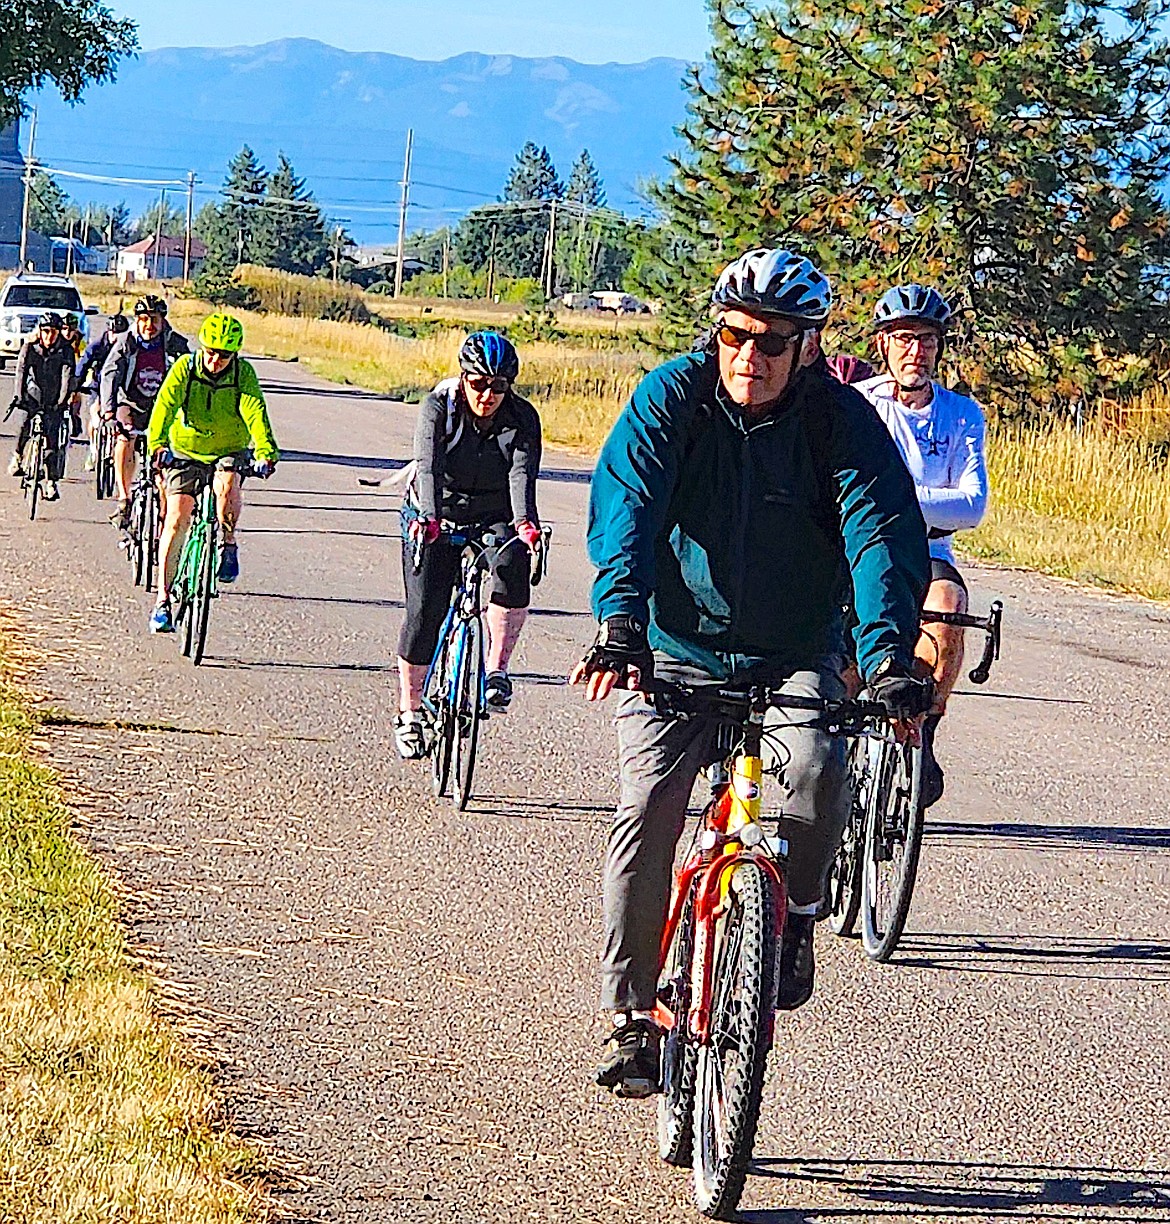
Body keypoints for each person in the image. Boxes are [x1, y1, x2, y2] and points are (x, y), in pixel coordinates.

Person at [571, 247, 933, 1098]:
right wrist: (619, 622)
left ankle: (796, 915)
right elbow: (628, 505)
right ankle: (630, 1017)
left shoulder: (838, 422)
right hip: (671, 647)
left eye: (774, 341)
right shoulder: (675, 398)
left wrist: (884, 656)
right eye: (736, 335)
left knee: (813, 772)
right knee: (650, 806)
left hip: (793, 650)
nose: (751, 357)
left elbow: (879, 534)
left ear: (809, 344)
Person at [856, 285, 989, 807]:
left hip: (930, 553)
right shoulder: (859, 404)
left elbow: (972, 506)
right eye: (905, 338)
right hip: (858, 546)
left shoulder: (961, 414)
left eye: (928, 340)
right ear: (884, 344)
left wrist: (893, 497)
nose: (917, 351)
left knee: (949, 609)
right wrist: (931, 498)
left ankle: (926, 730)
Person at [394, 330, 543, 760]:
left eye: (499, 387)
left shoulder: (521, 417)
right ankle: (410, 711)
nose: (488, 395)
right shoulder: (438, 408)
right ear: (463, 379)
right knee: (425, 611)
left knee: (513, 559)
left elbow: (521, 475)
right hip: (434, 509)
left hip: (492, 511)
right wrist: (429, 518)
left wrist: (526, 525)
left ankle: (496, 671)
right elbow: (429, 466)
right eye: (479, 384)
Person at [146, 313, 279, 634]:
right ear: (201, 347)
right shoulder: (185, 369)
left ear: (235, 355)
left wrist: (265, 450)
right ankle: (162, 601)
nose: (216, 360)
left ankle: (228, 543)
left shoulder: (242, 374)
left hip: (228, 447)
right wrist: (157, 444)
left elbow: (254, 410)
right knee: (177, 518)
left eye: (224, 354)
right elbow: (164, 406)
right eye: (210, 351)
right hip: (184, 449)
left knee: (228, 483)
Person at [100, 295, 189, 531]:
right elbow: (109, 374)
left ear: (162, 321)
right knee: (124, 438)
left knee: (164, 464)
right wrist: (108, 411)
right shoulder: (126, 342)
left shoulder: (175, 344)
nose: (148, 325)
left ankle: (162, 518)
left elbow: (191, 377)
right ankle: (124, 498)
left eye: (154, 320)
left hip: (164, 407)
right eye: (143, 319)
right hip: (130, 402)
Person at [7, 312, 75, 499]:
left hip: (53, 397)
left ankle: (51, 482)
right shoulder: (30, 348)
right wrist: (19, 396)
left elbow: (66, 377)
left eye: (53, 332)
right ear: (40, 331)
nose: (49, 336)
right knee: (24, 423)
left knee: (52, 439)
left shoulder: (66, 350)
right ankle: (18, 456)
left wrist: (62, 401)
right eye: (45, 331)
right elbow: (21, 372)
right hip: (33, 394)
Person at [77, 311, 130, 469]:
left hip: (122, 387)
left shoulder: (129, 345)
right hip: (98, 386)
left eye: (121, 334)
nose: (117, 338)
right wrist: (76, 386)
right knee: (96, 415)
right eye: (114, 334)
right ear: (108, 331)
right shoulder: (97, 346)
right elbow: (82, 366)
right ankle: (94, 450)